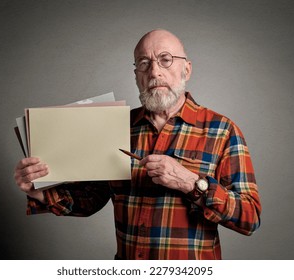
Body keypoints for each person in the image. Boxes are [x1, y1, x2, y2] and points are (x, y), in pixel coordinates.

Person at [14, 29, 261, 260]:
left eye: (165, 60)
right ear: (136, 76)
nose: (154, 72)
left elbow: (249, 217)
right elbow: (90, 200)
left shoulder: (222, 131)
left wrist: (189, 182)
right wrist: (37, 191)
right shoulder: (115, 127)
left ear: (186, 69)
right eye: (144, 63)